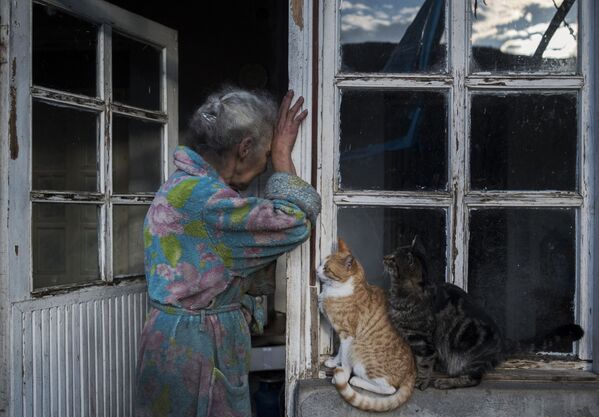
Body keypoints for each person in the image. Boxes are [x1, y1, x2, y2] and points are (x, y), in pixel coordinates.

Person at [134, 87, 321, 417]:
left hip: (169, 342)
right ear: (245, 148)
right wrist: (282, 156)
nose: (265, 168)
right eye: (264, 158)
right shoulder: (212, 204)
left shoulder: (182, 184)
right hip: (197, 350)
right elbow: (295, 222)